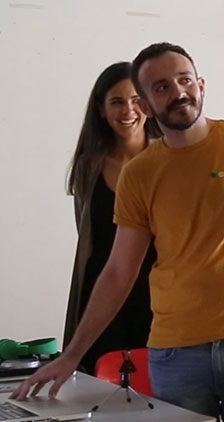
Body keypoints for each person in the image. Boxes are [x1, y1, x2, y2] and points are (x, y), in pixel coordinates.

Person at [16, 43, 224, 422]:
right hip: (175, 352)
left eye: (184, 80)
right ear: (147, 103)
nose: (178, 92)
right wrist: (72, 355)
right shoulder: (139, 173)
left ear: (201, 85)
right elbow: (117, 271)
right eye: (161, 87)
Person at [64, 61, 158, 375]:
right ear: (101, 110)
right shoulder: (88, 167)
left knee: (158, 387)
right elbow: (87, 236)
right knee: (101, 385)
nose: (128, 110)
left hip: (158, 294)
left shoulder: (168, 161)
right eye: (117, 101)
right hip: (102, 292)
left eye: (136, 100)